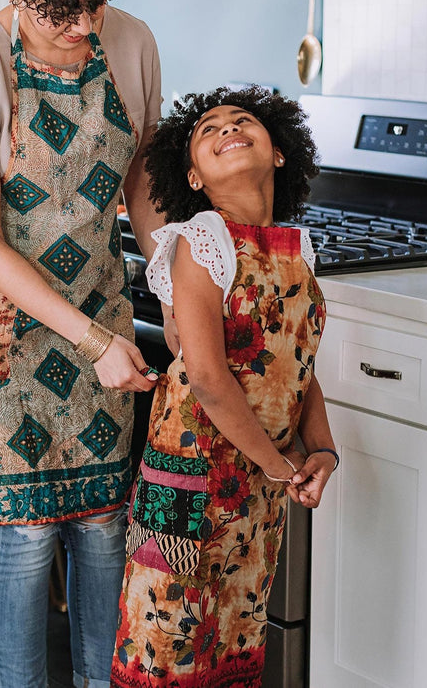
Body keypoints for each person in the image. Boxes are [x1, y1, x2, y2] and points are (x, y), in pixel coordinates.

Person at [0, 0, 175, 686]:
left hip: (93, 292)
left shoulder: (134, 42)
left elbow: (143, 178)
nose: (86, 27)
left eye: (95, 3)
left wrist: (170, 286)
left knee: (101, 519)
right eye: (63, 12)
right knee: (26, 531)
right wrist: (94, 342)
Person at [110, 85, 338, 687]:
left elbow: (298, 364)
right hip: (194, 471)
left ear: (280, 153)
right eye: (207, 130)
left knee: (235, 636)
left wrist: (322, 450)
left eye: (242, 121)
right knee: (166, 644)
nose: (227, 129)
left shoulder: (298, 246)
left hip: (258, 479)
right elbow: (208, 378)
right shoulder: (203, 236)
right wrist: (283, 468)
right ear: (191, 176)